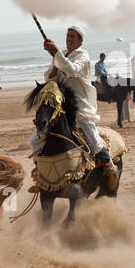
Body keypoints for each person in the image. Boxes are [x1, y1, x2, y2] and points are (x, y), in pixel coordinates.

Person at [34, 25, 119, 181]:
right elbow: (50, 78)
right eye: (68, 36)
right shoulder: (62, 55)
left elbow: (72, 70)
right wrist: (54, 58)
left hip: (80, 105)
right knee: (35, 139)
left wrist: (55, 53)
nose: (69, 39)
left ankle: (110, 167)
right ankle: (42, 173)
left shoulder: (83, 56)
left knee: (93, 141)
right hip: (61, 106)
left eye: (73, 36)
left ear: (80, 40)